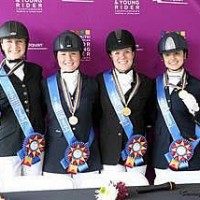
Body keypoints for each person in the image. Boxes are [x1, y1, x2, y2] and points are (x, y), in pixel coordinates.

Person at [42, 30, 102, 186]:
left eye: (73, 53)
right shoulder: (45, 85)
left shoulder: (93, 84)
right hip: (56, 156)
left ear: (81, 55)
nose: (68, 58)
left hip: (88, 154)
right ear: (56, 56)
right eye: (63, 54)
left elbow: (97, 116)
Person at [96, 29, 154, 184]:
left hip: (137, 150)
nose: (122, 57)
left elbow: (150, 116)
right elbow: (96, 116)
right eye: (117, 53)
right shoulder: (100, 82)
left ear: (133, 53)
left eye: (126, 51)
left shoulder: (147, 83)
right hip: (109, 152)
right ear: (110, 55)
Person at [152, 31, 200, 184]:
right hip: (163, 156)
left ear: (185, 55)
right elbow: (150, 118)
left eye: (177, 53)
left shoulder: (197, 85)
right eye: (167, 55)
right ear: (162, 58)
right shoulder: (154, 85)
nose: (172, 58)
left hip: (192, 154)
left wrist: (196, 111)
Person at [0, 20, 45, 179]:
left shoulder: (37, 71)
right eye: (9, 42)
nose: (14, 46)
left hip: (35, 143)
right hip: (7, 145)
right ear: (2, 45)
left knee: (34, 191)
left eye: (19, 41)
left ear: (26, 44)